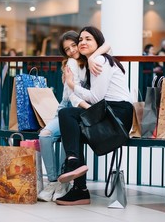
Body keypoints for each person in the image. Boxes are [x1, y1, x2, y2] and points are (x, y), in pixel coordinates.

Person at [55, 26, 133, 206]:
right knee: (74, 128)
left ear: (97, 42)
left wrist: (71, 84)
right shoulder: (96, 58)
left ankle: (76, 175)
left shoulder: (100, 60)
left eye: (88, 39)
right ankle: (79, 186)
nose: (82, 42)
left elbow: (96, 97)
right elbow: (106, 46)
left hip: (116, 115)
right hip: (110, 112)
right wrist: (90, 59)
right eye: (80, 39)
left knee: (67, 114)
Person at [37, 30, 110, 202]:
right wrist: (90, 110)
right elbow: (72, 96)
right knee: (45, 135)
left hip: (80, 111)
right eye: (67, 49)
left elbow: (107, 44)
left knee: (68, 138)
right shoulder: (71, 63)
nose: (71, 51)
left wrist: (93, 57)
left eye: (73, 45)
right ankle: (54, 180)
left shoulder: (91, 60)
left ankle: (65, 181)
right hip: (69, 108)